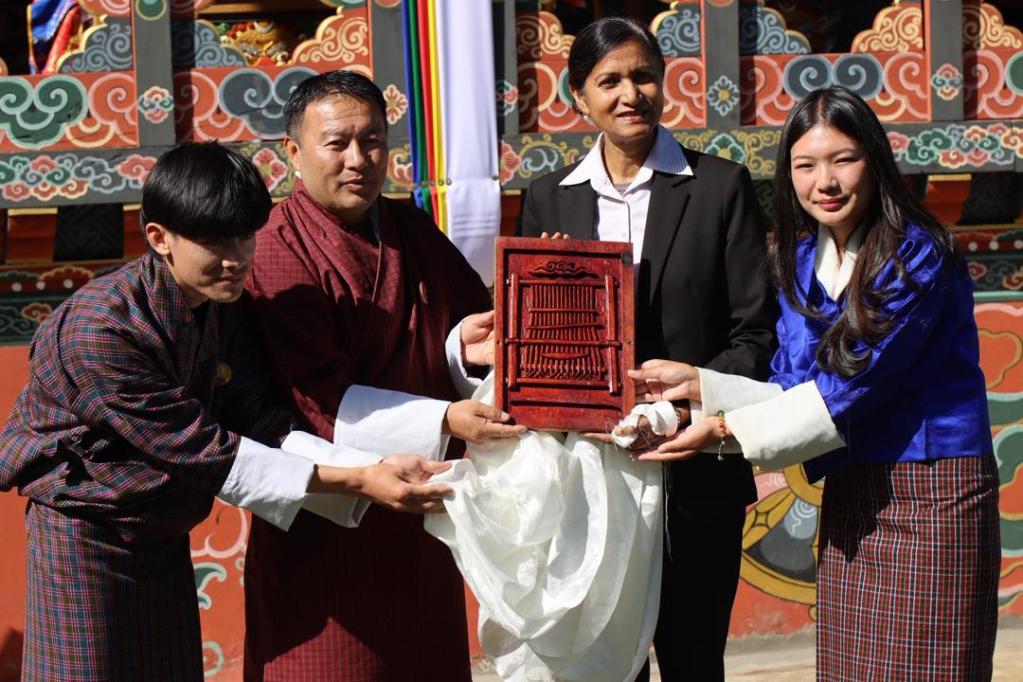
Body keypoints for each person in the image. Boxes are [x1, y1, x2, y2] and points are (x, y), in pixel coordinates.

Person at [0, 141, 452, 682]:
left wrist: (368, 464)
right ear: (159, 239)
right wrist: (359, 479)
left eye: (244, 236)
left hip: (161, 531)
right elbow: (207, 451)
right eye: (214, 241)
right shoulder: (101, 329)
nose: (236, 258)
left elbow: (259, 418)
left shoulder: (222, 309)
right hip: (85, 538)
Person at [631, 86, 1000, 681]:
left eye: (842, 160)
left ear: (874, 161)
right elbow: (791, 381)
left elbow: (852, 385)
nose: (823, 181)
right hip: (853, 485)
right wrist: (700, 384)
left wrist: (722, 429)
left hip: (934, 490)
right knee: (852, 668)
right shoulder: (799, 261)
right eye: (805, 166)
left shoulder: (919, 255)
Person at [517, 17, 777, 681]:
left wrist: (689, 394)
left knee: (693, 660)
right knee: (607, 664)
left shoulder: (719, 186)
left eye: (642, 75)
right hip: (591, 475)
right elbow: (531, 349)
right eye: (608, 80)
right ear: (578, 96)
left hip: (693, 466)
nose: (629, 92)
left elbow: (754, 331)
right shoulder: (548, 201)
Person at [242, 70, 524, 680]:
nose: (358, 160)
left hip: (423, 508)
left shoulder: (409, 228)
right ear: (293, 152)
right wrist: (444, 417)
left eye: (372, 141)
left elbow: (455, 329)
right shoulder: (274, 247)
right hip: (327, 507)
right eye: (337, 143)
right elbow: (313, 396)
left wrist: (464, 350)